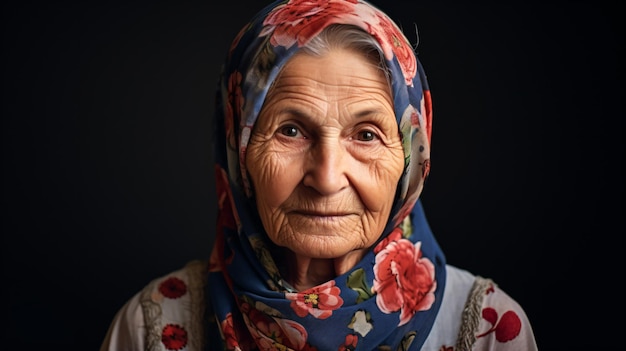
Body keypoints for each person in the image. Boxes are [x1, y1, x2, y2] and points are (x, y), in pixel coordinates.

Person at [99, 0, 538, 350]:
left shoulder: (488, 330)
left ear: (410, 159)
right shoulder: (152, 328)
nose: (327, 178)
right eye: (290, 130)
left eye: (366, 135)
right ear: (239, 151)